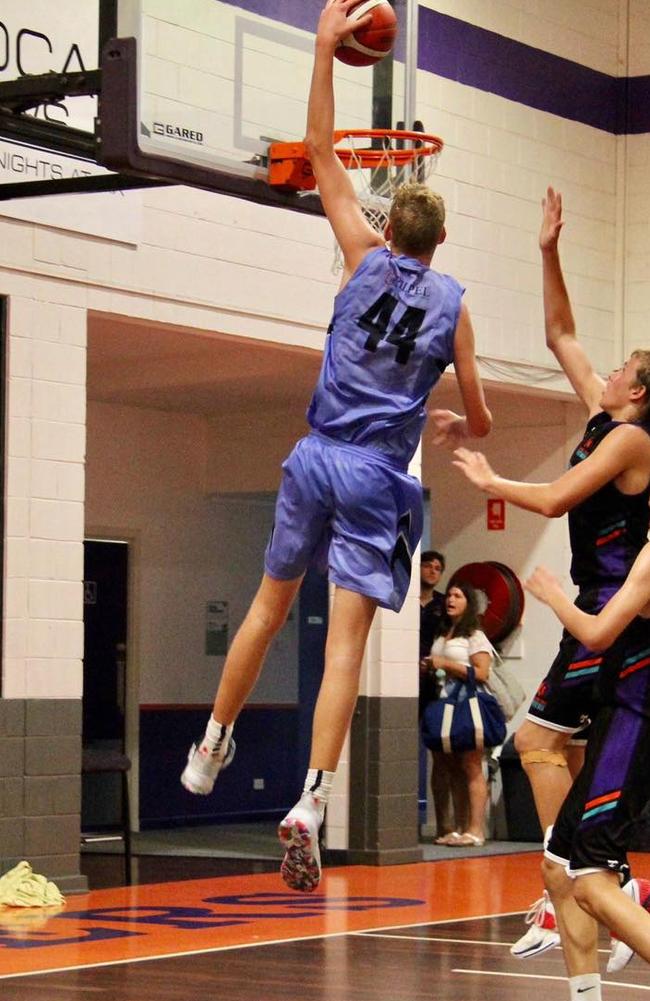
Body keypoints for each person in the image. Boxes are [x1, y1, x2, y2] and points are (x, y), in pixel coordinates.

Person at [180, 0, 492, 894]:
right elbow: (478, 412)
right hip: (376, 476)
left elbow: (319, 152)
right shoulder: (455, 304)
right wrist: (454, 420)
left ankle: (209, 746)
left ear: (390, 227)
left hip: (314, 454)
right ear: (440, 245)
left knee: (266, 607)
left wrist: (322, 47)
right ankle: (312, 798)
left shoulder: (358, 254)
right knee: (346, 643)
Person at [452, 186, 650, 955]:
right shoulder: (609, 417)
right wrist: (546, 249)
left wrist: (493, 482)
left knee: (537, 741)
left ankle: (590, 876)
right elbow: (560, 330)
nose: (605, 370)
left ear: (637, 390)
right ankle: (567, 883)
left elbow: (560, 496)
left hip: (612, 613)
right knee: (538, 744)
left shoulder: (633, 443)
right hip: (597, 618)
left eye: (622, 368)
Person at [524, 553, 650, 1000]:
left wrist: (555, 595)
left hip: (634, 722)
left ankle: (628, 889)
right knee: (561, 867)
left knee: (594, 886)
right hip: (616, 717)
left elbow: (597, 634)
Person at [421, 581, 500, 847]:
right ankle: (454, 827)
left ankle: (476, 829)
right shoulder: (443, 633)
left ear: (469, 603)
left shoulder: (475, 635)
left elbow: (481, 673)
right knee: (448, 765)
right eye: (450, 595)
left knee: (471, 765)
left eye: (458, 596)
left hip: (467, 702)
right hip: (443, 701)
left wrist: (447, 664)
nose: (451, 600)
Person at [419, 550, 455, 840]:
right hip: (400, 684)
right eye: (428, 565)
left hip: (435, 686)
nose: (432, 571)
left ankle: (445, 825)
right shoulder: (401, 601)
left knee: (441, 757)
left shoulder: (445, 606)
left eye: (438, 568)